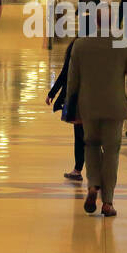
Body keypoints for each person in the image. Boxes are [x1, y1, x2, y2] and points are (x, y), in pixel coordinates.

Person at [65, 5, 127, 217]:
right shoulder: (125, 45)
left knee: (90, 145)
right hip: (115, 107)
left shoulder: (80, 45)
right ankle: (107, 202)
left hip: (88, 106)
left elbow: (73, 80)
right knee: (111, 152)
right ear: (115, 21)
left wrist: (71, 107)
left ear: (96, 22)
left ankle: (93, 186)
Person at [47, 39, 84, 181]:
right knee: (94, 137)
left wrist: (53, 93)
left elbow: (65, 74)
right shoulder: (103, 45)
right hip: (97, 98)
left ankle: (77, 169)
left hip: (79, 99)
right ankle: (98, 173)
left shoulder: (76, 46)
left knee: (80, 135)